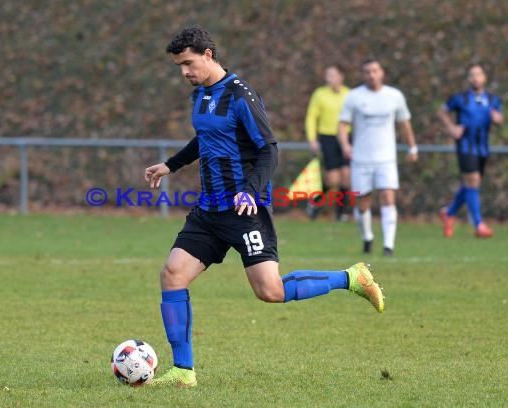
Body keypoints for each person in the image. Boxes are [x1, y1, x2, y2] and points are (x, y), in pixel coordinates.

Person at [144, 27, 385, 388]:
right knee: (172, 274)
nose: (183, 72)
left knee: (269, 291)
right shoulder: (201, 95)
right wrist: (171, 165)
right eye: (179, 66)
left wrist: (250, 192)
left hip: (245, 209)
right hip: (209, 210)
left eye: (188, 64)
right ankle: (183, 371)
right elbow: (206, 137)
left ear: (208, 55)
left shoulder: (241, 95)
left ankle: (351, 278)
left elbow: (269, 148)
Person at [338, 58, 418, 256]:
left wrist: (412, 147)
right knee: (362, 202)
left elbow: (404, 123)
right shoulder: (354, 97)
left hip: (386, 159)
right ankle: (367, 236)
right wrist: (346, 145)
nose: (371, 75)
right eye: (367, 71)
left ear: (381, 72)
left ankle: (388, 246)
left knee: (388, 197)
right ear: (363, 75)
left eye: (375, 70)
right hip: (361, 159)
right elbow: (342, 125)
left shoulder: (394, 96)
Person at [437, 63, 503, 238]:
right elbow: (442, 111)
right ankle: (479, 224)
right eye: (472, 75)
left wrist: (498, 119)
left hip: (483, 147)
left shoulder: (493, 99)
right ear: (468, 79)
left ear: (484, 77)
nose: (475, 78)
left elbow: (499, 117)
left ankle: (449, 213)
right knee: (472, 180)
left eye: (478, 74)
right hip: (466, 145)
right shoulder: (460, 98)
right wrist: (451, 128)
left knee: (471, 184)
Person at [305, 64, 351, 221]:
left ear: (341, 76)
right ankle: (315, 202)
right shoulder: (320, 94)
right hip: (327, 137)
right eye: (327, 75)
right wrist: (312, 139)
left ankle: (340, 214)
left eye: (332, 75)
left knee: (346, 176)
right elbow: (311, 117)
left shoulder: (349, 94)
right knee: (332, 179)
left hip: (346, 137)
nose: (329, 78)